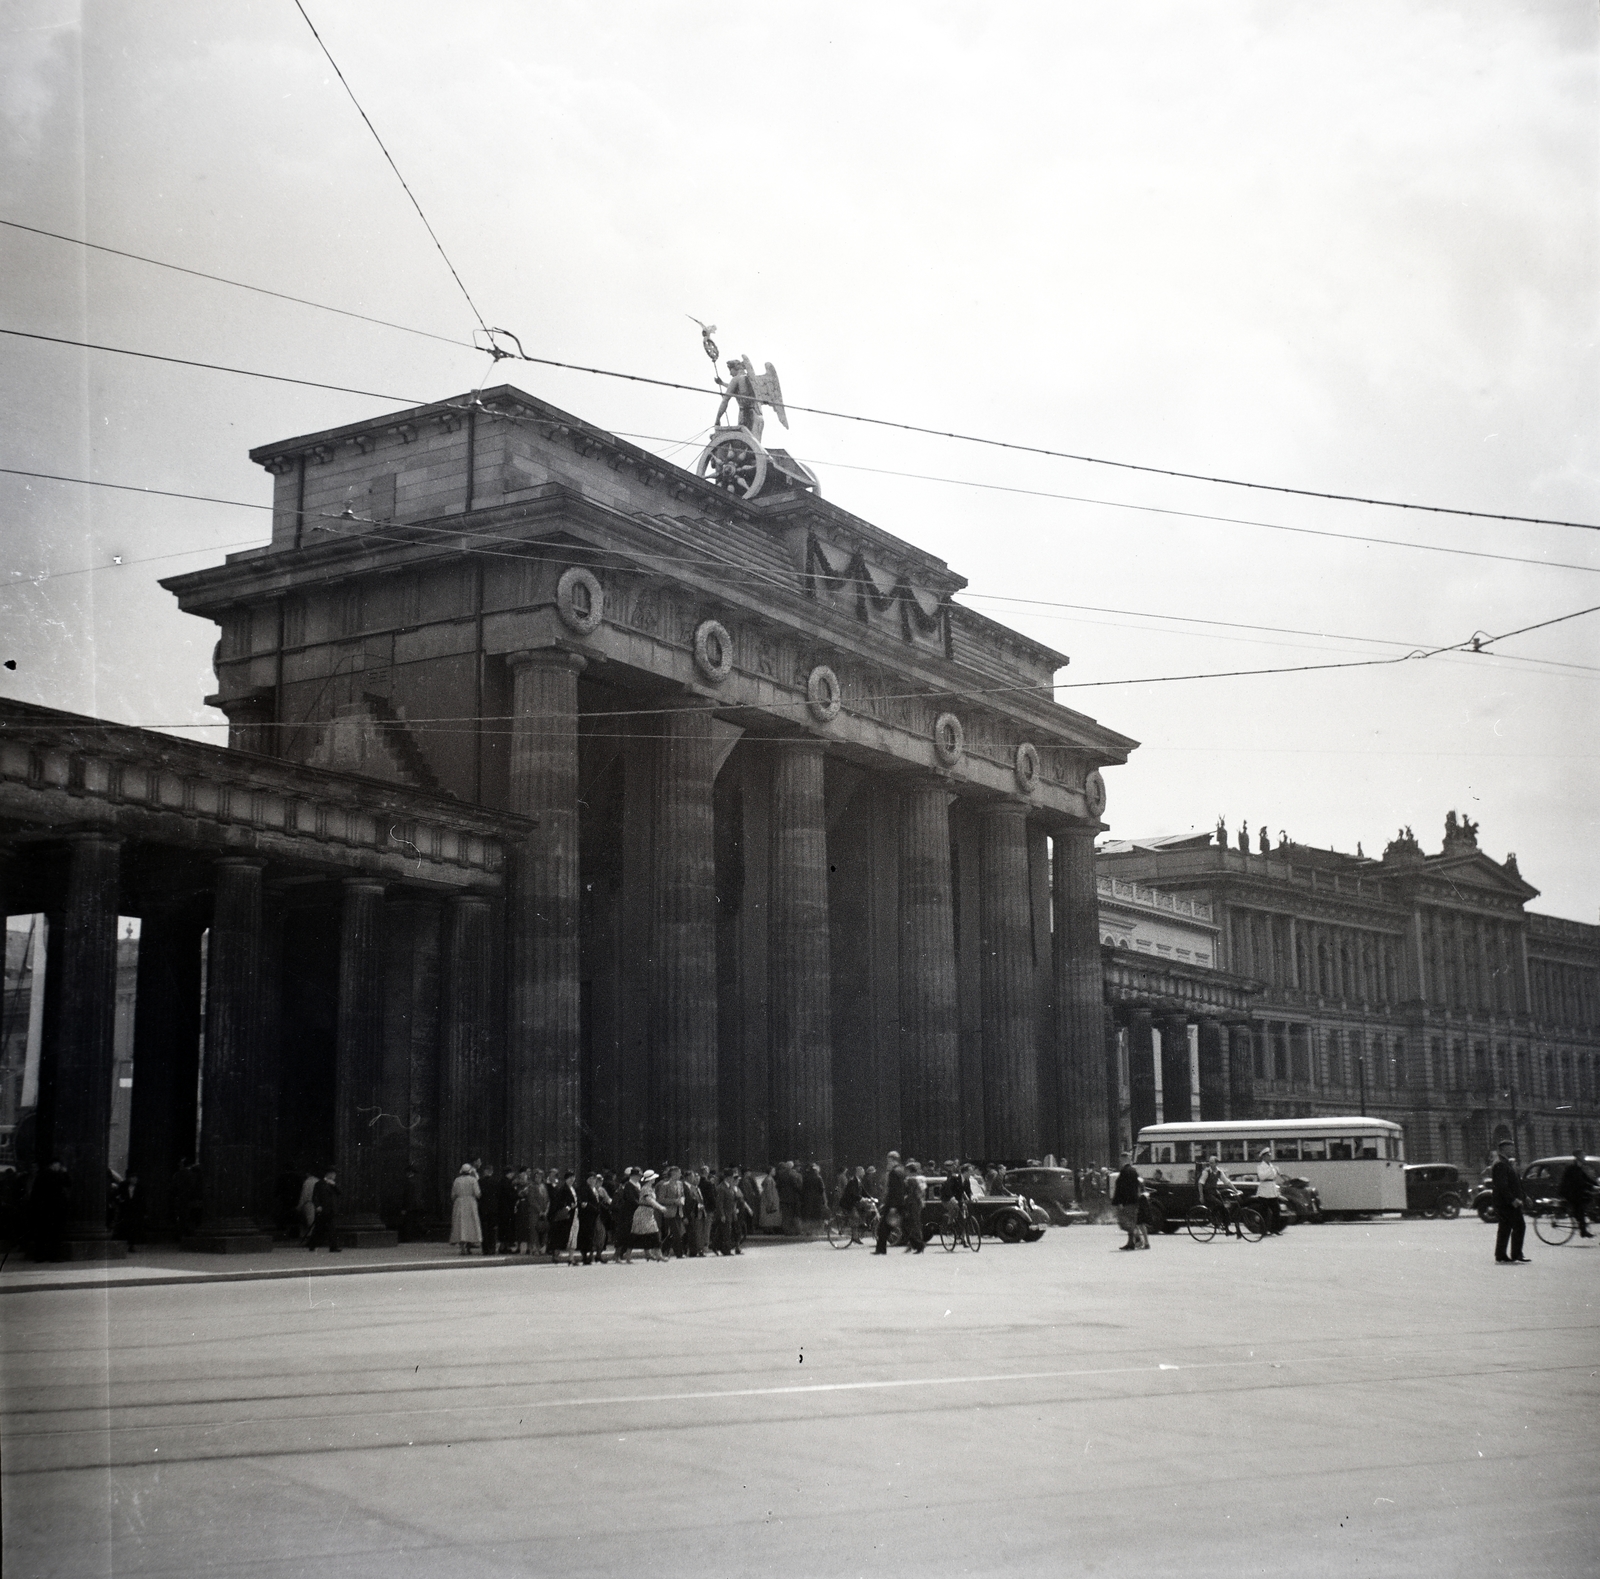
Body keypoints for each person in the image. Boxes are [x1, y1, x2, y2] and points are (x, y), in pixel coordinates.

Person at [1491, 1139, 1530, 1264]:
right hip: (1507, 1203)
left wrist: (1524, 1196)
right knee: (1519, 1226)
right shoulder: (1501, 1164)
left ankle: (1501, 1255)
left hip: (1507, 1202)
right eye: (1510, 1148)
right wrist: (1512, 1200)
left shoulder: (1506, 1163)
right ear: (1503, 1149)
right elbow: (1502, 1185)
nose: (1512, 1150)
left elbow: (1515, 1183)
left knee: (1505, 1228)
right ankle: (1515, 1254)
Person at [874, 1152, 906, 1254]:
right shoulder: (902, 1171)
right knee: (886, 1227)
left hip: (893, 1204)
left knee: (883, 1228)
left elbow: (894, 1190)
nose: (888, 1163)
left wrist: (892, 1206)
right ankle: (880, 1249)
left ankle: (881, 1249)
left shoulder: (894, 1172)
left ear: (893, 1160)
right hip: (898, 1203)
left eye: (889, 1161)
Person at [1558, 1150, 1595, 1238]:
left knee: (1588, 1200)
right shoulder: (1572, 1168)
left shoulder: (1579, 1167)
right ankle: (1583, 1230)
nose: (1584, 1158)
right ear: (1578, 1157)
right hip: (1569, 1192)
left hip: (1576, 1191)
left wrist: (1596, 1184)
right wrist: (1591, 1187)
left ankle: (1581, 1220)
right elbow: (1579, 1181)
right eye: (1583, 1156)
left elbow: (1586, 1178)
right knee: (1580, 1208)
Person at [1112, 1151, 1145, 1250]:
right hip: (1134, 1200)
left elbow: (1120, 1188)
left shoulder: (1124, 1171)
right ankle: (1132, 1242)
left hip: (1126, 1201)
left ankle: (1137, 1239)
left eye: (1121, 1159)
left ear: (1124, 1159)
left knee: (1124, 1222)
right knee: (1131, 1222)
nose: (1120, 1161)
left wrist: (1119, 1201)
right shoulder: (1134, 1171)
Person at [305, 1167, 341, 1252]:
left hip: (331, 1210)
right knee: (318, 1229)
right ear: (329, 1174)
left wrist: (334, 1185)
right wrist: (317, 1206)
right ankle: (312, 1245)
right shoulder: (319, 1184)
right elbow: (315, 1196)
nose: (334, 1176)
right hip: (322, 1210)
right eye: (333, 1174)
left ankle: (333, 1247)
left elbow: (339, 1193)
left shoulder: (333, 1184)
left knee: (332, 1228)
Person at [449, 1163, 482, 1254]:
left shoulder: (457, 1180)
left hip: (459, 1203)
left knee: (460, 1224)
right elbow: (477, 1193)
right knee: (471, 1224)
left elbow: (453, 1195)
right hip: (470, 1203)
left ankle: (462, 1246)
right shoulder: (473, 1180)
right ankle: (469, 1246)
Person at [1201, 1155, 1238, 1236]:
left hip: (1214, 1192)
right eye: (1210, 1163)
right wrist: (1201, 1196)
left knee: (1225, 1208)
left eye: (1212, 1163)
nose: (1211, 1165)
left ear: (1217, 1163)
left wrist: (1236, 1190)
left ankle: (1227, 1229)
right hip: (1207, 1193)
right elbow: (1200, 1183)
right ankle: (1213, 1219)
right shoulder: (1206, 1172)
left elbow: (1227, 1182)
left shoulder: (1219, 1172)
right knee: (1220, 1204)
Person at [547, 1170, 578, 1263]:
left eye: (573, 1177)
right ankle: (556, 1256)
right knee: (561, 1236)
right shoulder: (562, 1189)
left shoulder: (573, 1188)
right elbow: (559, 1202)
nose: (572, 1179)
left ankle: (571, 1258)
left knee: (572, 1236)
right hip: (565, 1215)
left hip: (574, 1215)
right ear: (566, 1179)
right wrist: (568, 1207)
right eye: (570, 1178)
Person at [632, 1173, 664, 1261]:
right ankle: (658, 1254)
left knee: (648, 1233)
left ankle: (649, 1254)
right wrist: (660, 1207)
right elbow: (649, 1200)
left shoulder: (650, 1188)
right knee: (654, 1232)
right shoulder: (646, 1188)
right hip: (643, 1212)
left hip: (649, 1212)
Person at [1254, 1148, 1284, 1235]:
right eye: (1267, 1155)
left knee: (1276, 1210)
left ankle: (1274, 1229)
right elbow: (1262, 1177)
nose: (1269, 1157)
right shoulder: (1260, 1167)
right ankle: (1263, 1230)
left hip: (1272, 1189)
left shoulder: (1272, 1166)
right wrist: (1270, 1170)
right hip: (1264, 1190)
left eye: (1270, 1155)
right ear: (1263, 1157)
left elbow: (1274, 1177)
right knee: (1264, 1211)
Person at [901, 1160, 927, 1252]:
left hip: (912, 1204)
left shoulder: (910, 1180)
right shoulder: (919, 1179)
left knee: (911, 1224)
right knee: (915, 1224)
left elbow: (910, 1193)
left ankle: (918, 1244)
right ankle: (913, 1244)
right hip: (918, 1203)